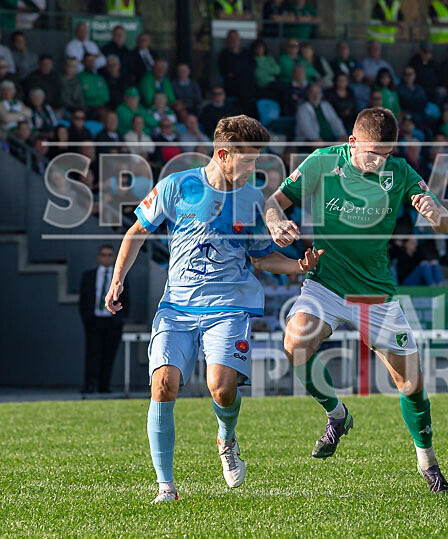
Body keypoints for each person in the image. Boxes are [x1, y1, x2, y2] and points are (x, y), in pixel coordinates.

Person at [105, 114, 323, 503]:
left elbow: (261, 258)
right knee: (163, 384)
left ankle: (226, 438)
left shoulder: (252, 200)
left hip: (229, 306)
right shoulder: (176, 186)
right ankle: (166, 488)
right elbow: (136, 232)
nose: (254, 168)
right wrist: (117, 278)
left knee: (221, 389)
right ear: (223, 154)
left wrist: (298, 267)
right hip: (177, 307)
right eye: (248, 160)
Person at [264, 107, 448, 493]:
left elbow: (446, 224)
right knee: (295, 343)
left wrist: (435, 213)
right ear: (352, 142)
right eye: (373, 153)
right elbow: (274, 201)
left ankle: (428, 462)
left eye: (387, 153)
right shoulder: (322, 163)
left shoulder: (400, 172)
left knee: (410, 383)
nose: (380, 161)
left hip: (374, 292)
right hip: (327, 284)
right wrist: (275, 222)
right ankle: (337, 415)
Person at [79, 245, 129, 394]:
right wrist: (87, 318)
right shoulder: (89, 276)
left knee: (109, 354)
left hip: (112, 321)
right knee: (92, 353)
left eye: (109, 255)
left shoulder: (120, 277)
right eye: (103, 255)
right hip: (94, 320)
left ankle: (104, 386)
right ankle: (89, 385)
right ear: (99, 257)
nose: (106, 258)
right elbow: (84, 299)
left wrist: (121, 319)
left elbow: (126, 299)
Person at [218, 30, 256, 104]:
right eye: (231, 38)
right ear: (228, 40)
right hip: (232, 84)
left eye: (235, 38)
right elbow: (224, 71)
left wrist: (238, 71)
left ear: (239, 40)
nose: (234, 40)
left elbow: (253, 66)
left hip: (247, 82)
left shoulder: (246, 53)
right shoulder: (224, 55)